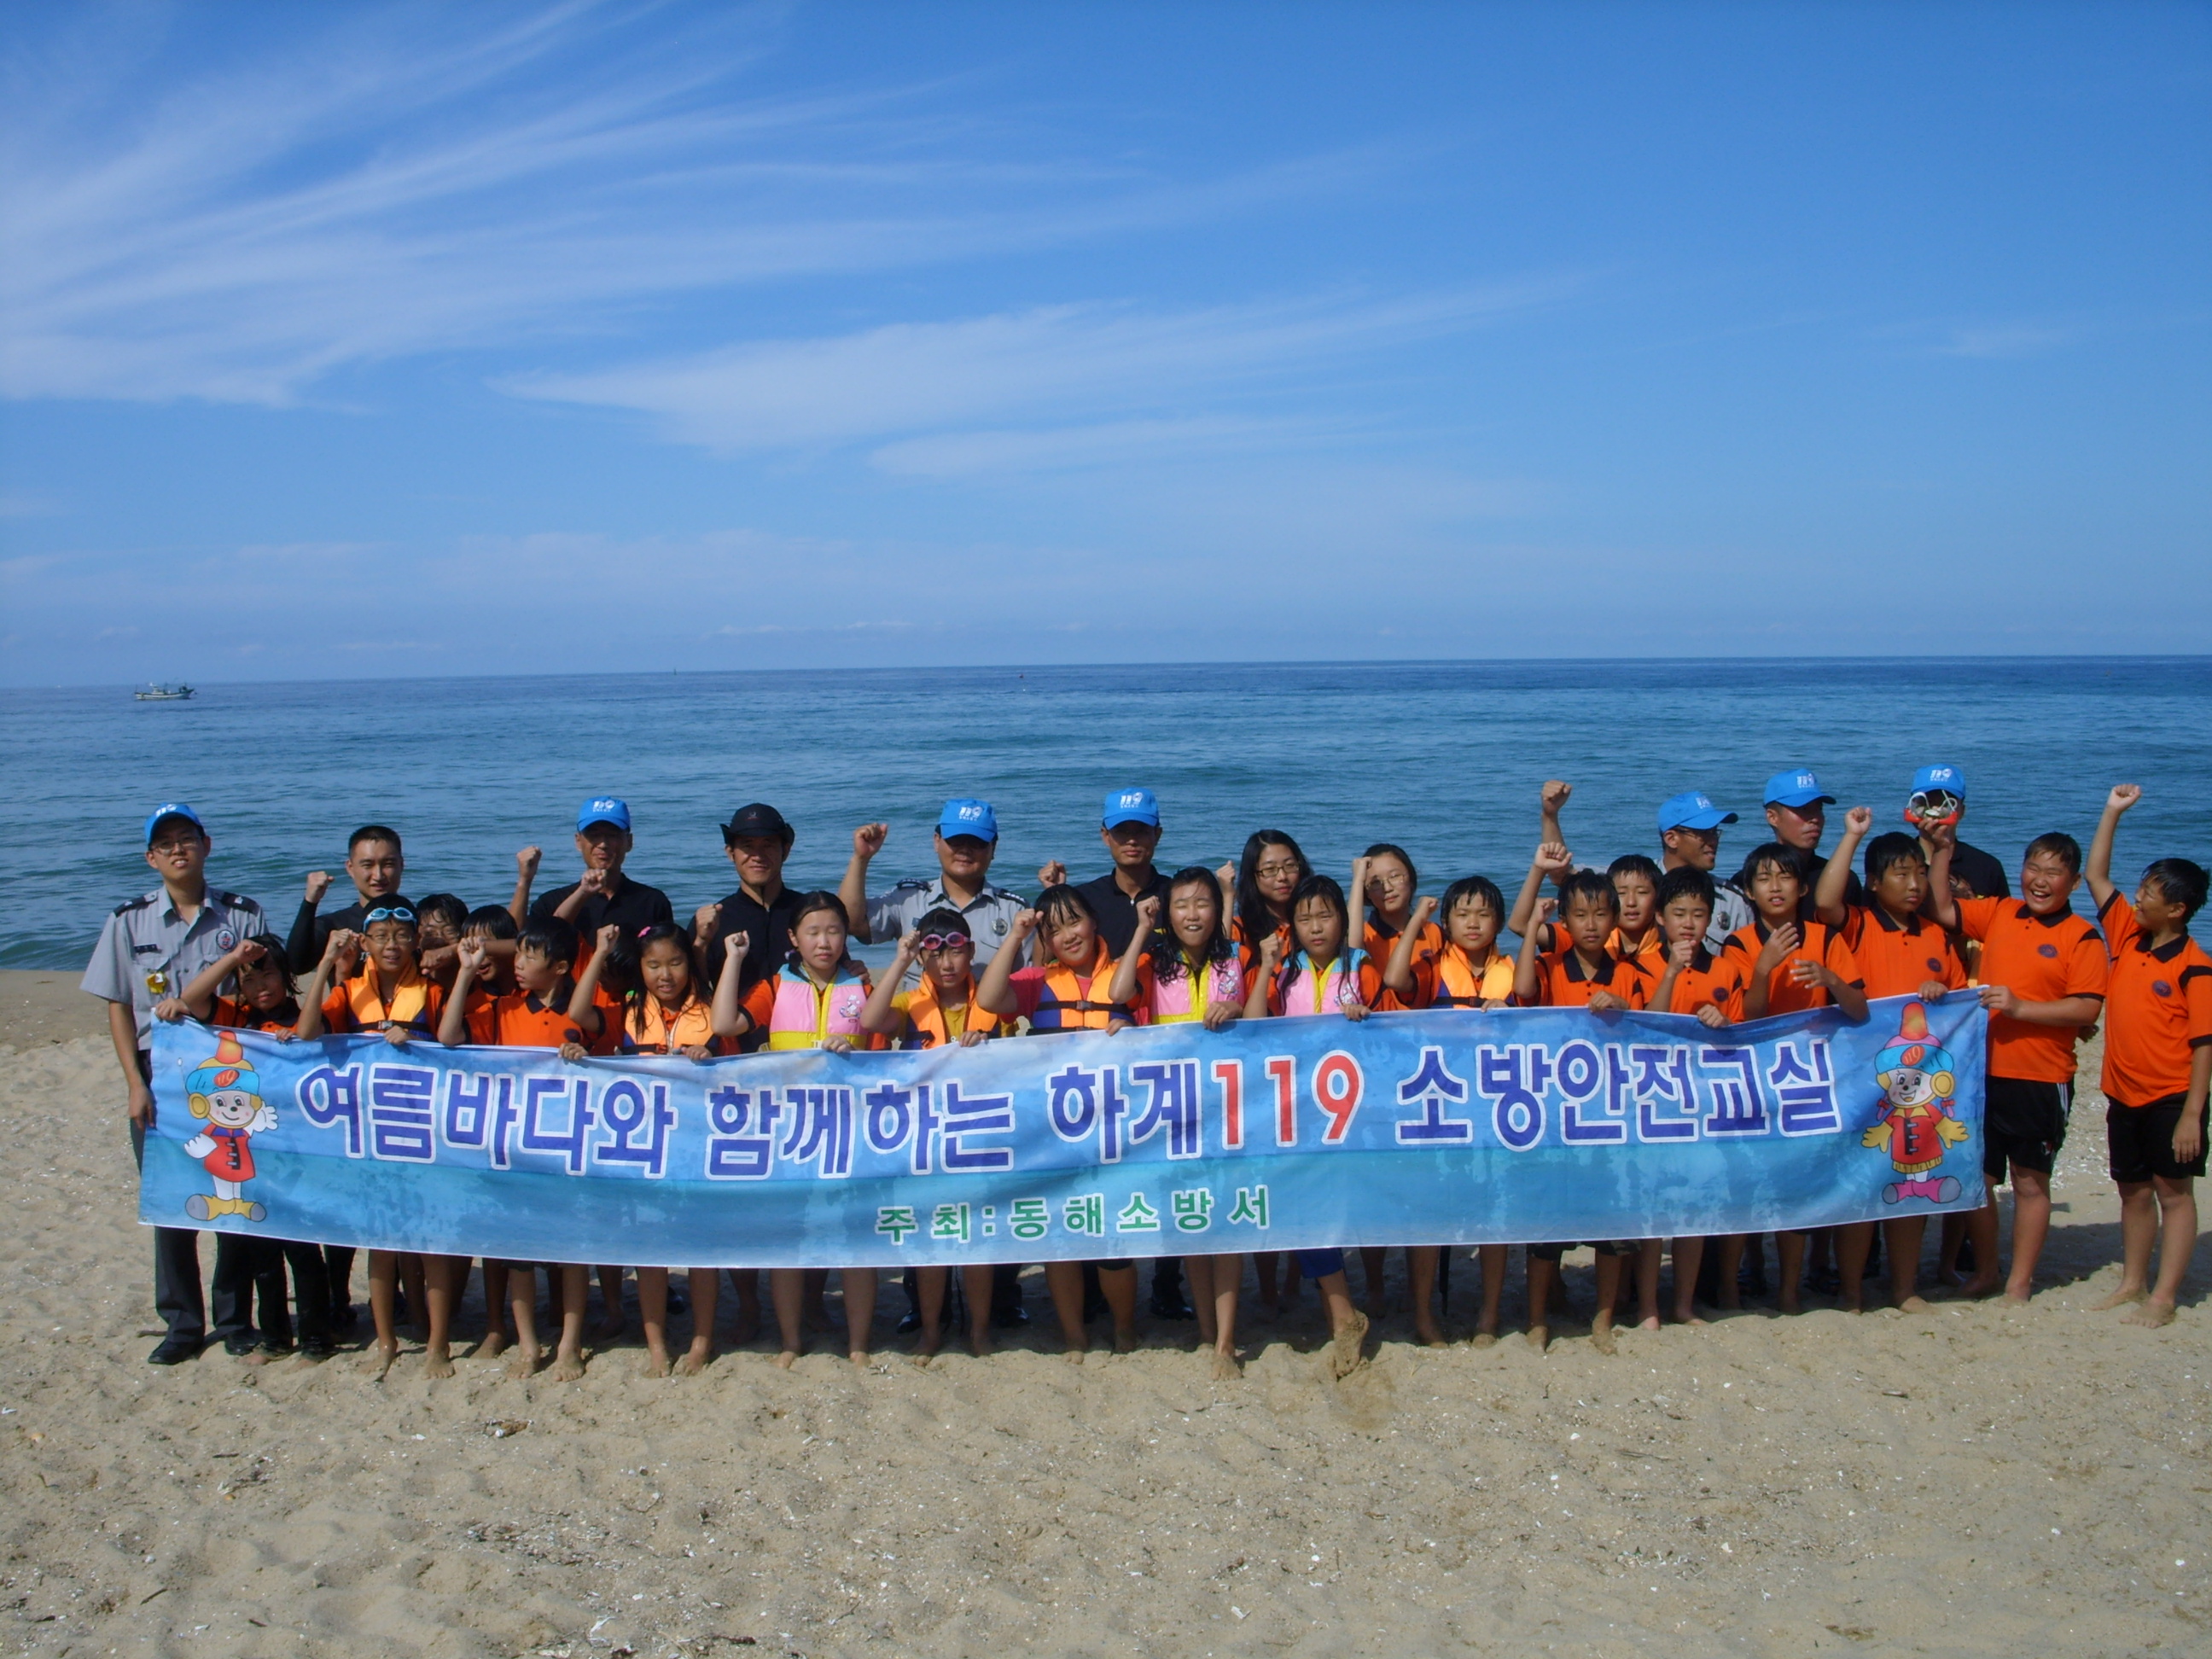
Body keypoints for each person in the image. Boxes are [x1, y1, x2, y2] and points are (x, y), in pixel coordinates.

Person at [81, 803, 271, 1366]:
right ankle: (182, 1324)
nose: (178, 850)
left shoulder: (243, 915)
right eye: (165, 844)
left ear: (206, 845)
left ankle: (236, 1320)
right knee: (170, 1204)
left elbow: (262, 994)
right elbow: (119, 1006)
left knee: (234, 1195)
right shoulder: (128, 921)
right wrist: (133, 1084)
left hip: (227, 1071)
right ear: (151, 858)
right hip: (157, 1073)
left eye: (186, 838)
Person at [1924, 823, 2109, 1303]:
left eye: (2053, 872)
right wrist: (1942, 851)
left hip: (2041, 1076)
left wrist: (2022, 1008)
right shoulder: (2001, 912)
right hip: (1981, 1074)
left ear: (2072, 882)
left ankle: (2020, 1282)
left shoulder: (2082, 936)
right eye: (2033, 868)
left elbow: (2087, 1009)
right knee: (1978, 1179)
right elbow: (1941, 907)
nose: (2040, 881)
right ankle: (1987, 1270)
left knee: (2029, 1182)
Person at [710, 894, 882, 1368]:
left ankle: (858, 1342)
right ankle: (790, 1341)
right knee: (790, 1239)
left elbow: (888, 1059)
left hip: (849, 1133)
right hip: (791, 1133)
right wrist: (733, 958)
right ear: (794, 938)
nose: (824, 942)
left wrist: (854, 1052)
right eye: (813, 932)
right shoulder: (774, 986)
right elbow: (724, 1023)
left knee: (854, 1239)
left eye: (833, 931)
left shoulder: (864, 987)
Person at [1108, 869, 1267, 1377]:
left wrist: (1235, 1003)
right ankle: (1204, 1330)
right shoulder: (1155, 962)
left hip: (1230, 1110)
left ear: (1218, 911)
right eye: (1181, 905)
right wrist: (1141, 928)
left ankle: (1226, 1341)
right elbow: (1119, 991)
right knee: (1195, 1225)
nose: (1192, 915)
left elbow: (1262, 1020)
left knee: (1228, 1229)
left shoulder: (1235, 958)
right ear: (1167, 914)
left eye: (1202, 904)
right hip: (1175, 1113)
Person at [976, 885, 1143, 1359]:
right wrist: (1019, 935)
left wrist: (1131, 1028)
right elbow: (989, 998)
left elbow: (1158, 1028)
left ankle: (1124, 1329)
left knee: (1114, 1241)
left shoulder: (1126, 973)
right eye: (1054, 930)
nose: (1068, 935)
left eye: (1074, 922)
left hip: (1114, 1132)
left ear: (1094, 921)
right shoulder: (1036, 981)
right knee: (1062, 1238)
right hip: (1056, 1133)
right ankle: (1074, 1336)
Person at [152, 933, 334, 1364]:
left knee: (303, 1251)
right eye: (248, 980)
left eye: (267, 975)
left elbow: (316, 1035)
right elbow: (191, 1001)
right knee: (262, 1254)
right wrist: (235, 957)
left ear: (286, 976)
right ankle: (275, 1338)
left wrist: (297, 1034)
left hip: (297, 1158)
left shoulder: (304, 1016)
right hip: (252, 1159)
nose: (260, 987)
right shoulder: (236, 1019)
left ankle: (316, 1339)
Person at [1815, 808, 1970, 1312]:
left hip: (1919, 1089)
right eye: (1901, 874)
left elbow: (1963, 1005)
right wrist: (1851, 836)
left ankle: (1904, 1288)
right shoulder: (1858, 925)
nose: (1914, 884)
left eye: (1920, 873)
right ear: (1875, 883)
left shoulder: (1937, 935)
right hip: (1861, 1080)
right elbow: (1825, 901)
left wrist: (1942, 994)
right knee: (1861, 1187)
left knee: (1910, 1186)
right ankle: (1853, 1291)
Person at [295, 906, 459, 1375]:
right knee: (381, 1244)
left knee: (430, 1243)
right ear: (364, 945)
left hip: (423, 1133)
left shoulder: (432, 992)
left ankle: (438, 1344)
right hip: (369, 1136)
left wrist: (417, 1043)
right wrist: (326, 966)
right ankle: (387, 1342)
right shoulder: (348, 992)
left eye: (401, 936)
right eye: (381, 936)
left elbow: (454, 1046)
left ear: (415, 943)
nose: (391, 945)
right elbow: (307, 1032)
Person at [439, 919, 593, 1380]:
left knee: (571, 1251)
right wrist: (466, 973)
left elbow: (611, 1062)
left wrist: (584, 1057)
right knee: (518, 1252)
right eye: (518, 954)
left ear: (560, 967)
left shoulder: (581, 1012)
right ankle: (528, 1343)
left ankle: (569, 1344)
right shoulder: (503, 1008)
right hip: (515, 1152)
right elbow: (449, 1037)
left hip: (567, 1151)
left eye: (529, 956)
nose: (518, 964)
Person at [2084, 786, 2210, 1328]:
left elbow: (2204, 1045)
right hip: (2123, 1092)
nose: (2137, 898)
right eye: (2139, 888)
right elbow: (2095, 875)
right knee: (2133, 1191)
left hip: (2171, 1097)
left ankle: (2164, 1297)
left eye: (2149, 893)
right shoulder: (2127, 936)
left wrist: (2192, 1115)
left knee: (2174, 1194)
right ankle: (2133, 1283)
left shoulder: (2195, 965)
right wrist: (2112, 812)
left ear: (2177, 909)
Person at [1513, 871, 1656, 1352]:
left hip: (1611, 1117)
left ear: (1614, 920)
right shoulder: (1552, 966)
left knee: (1612, 1227)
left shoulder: (1628, 973)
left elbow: (1651, 1031)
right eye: (1579, 915)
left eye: (1600, 914)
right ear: (1566, 922)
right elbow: (1523, 990)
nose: (1590, 924)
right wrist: (1533, 929)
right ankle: (1537, 1320)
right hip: (1557, 1118)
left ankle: (1602, 1319)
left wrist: (1622, 1006)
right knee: (1546, 1226)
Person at [1257, 873, 1375, 1378]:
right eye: (1304, 919)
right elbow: (1257, 1024)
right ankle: (1343, 1316)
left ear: (1342, 920)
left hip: (1354, 1113)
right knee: (1304, 1207)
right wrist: (1266, 968)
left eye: (1325, 916)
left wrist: (1365, 1015)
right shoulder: (1287, 972)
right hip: (1299, 1111)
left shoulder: (1361, 966)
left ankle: (1343, 1314)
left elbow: (1394, 1025)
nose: (1316, 927)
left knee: (1323, 1210)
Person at [1646, 866, 1743, 1327]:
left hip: (1704, 1106)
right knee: (1652, 1210)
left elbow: (1743, 1038)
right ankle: (1647, 1305)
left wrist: (1722, 1022)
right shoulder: (1639, 966)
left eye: (1698, 914)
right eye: (1679, 913)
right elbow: (1646, 1027)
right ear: (1660, 917)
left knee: (1694, 1209)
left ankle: (1683, 1304)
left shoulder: (1726, 969)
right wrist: (1670, 970)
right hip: (1654, 1104)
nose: (1688, 923)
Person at [840, 799, 1030, 988]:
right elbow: (850, 923)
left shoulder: (1013, 911)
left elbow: (1032, 980)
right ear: (937, 841)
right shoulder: (908, 899)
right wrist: (861, 859)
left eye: (976, 842)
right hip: (918, 1007)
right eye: (956, 840)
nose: (965, 850)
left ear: (993, 848)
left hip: (986, 1008)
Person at [1039, 788, 1173, 959]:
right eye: (1122, 831)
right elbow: (1042, 962)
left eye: (1141, 830)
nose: (1132, 840)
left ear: (1157, 834)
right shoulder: (1084, 899)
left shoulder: (1175, 897)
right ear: (1106, 836)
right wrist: (1056, 898)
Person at [697, 803, 805, 1016]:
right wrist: (701, 943)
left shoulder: (808, 912)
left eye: (768, 845)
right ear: (731, 853)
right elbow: (693, 990)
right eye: (747, 846)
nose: (757, 856)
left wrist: (853, 969)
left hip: (801, 1030)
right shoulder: (715, 919)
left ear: (785, 851)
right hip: (736, 1032)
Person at [1733, 768, 1865, 917]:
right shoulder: (1745, 881)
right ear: (1772, 817)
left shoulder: (1844, 881)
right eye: (1804, 809)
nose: (1815, 818)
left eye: (1819, 809)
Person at [284, 824, 410, 975]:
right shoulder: (334, 926)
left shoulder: (416, 921)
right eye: (367, 865)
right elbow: (296, 965)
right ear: (350, 868)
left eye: (388, 864)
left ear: (401, 865)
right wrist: (310, 902)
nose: (378, 875)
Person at [1657, 790, 1755, 950]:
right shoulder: (1640, 888)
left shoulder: (1732, 900)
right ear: (1671, 839)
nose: (1713, 841)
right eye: (1703, 833)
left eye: (1714, 832)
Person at [1906, 764, 2010, 902]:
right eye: (1927, 802)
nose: (1936, 810)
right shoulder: (1895, 862)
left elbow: (2004, 913)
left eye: (1947, 804)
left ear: (1962, 811)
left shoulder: (1987, 867)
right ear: (1913, 808)